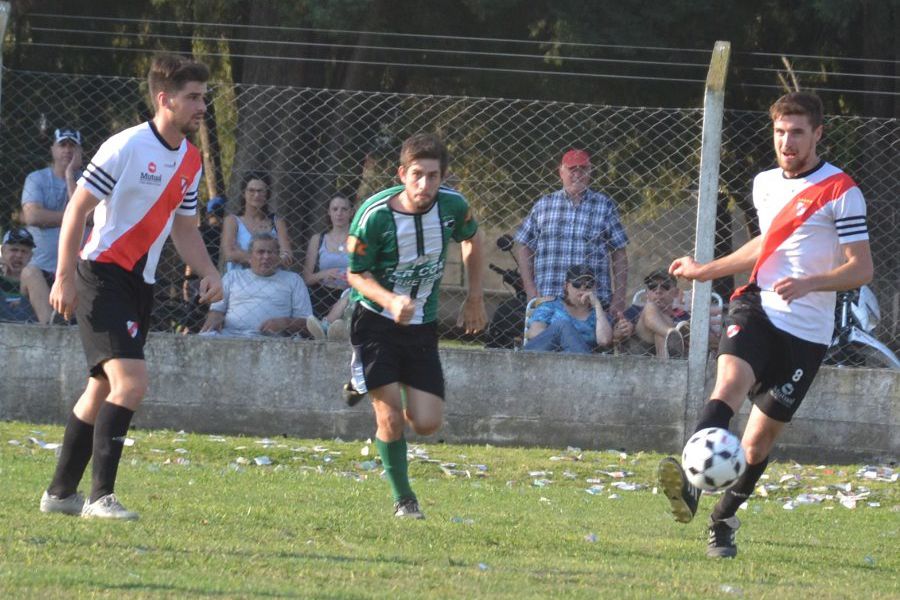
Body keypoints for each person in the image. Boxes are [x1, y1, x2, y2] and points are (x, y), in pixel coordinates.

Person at [657, 92, 873, 558]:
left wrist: (813, 281)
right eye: (779, 132)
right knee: (728, 387)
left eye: (797, 132)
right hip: (757, 309)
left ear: (817, 134)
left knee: (756, 445)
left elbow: (861, 268)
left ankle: (722, 520)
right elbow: (764, 244)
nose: (787, 141)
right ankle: (693, 483)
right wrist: (704, 269)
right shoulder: (764, 184)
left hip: (808, 334)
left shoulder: (842, 192)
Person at [39, 54, 223, 521]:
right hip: (100, 276)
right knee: (132, 384)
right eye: (193, 97)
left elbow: (184, 229)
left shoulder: (192, 160)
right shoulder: (126, 146)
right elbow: (78, 210)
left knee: (100, 389)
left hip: (140, 285)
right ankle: (101, 498)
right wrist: (63, 276)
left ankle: (60, 495)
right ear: (165, 99)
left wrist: (209, 271)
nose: (202, 106)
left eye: (204, 97)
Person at [343, 133, 486, 519]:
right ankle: (404, 499)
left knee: (425, 423)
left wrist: (475, 296)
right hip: (375, 321)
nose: (425, 185)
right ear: (402, 173)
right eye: (417, 175)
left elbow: (472, 240)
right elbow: (355, 274)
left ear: (443, 177)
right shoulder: (374, 216)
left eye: (433, 176)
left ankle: (368, 382)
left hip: (422, 324)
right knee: (389, 417)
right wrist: (389, 300)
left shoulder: (453, 207)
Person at [514, 149, 629, 316]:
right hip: (549, 299)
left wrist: (619, 298)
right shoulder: (543, 206)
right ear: (561, 172)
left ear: (590, 172)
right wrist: (531, 291)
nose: (577, 174)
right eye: (572, 169)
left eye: (583, 169)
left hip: (591, 302)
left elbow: (619, 253)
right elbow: (525, 248)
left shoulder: (605, 206)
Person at [200, 233, 315, 338]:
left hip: (273, 340)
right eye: (260, 252)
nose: (266, 257)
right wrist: (214, 319)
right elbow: (216, 311)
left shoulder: (293, 280)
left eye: (271, 252)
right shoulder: (233, 277)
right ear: (250, 257)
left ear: (278, 257)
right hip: (231, 335)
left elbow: (308, 323)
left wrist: (285, 323)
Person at [21, 126, 83, 281]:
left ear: (80, 151)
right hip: (42, 266)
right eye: (62, 145)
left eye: (72, 145)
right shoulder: (36, 178)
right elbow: (33, 216)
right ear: (53, 149)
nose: (68, 150)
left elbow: (91, 216)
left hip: (79, 269)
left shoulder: (88, 180)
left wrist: (69, 176)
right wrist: (76, 218)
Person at [523, 264, 614, 353]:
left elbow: (604, 340)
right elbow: (534, 333)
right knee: (562, 326)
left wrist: (597, 305)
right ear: (566, 286)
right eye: (577, 284)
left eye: (588, 285)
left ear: (594, 287)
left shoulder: (598, 314)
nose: (582, 288)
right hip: (546, 354)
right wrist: (566, 336)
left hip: (575, 360)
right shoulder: (551, 305)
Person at [222, 172, 293, 272]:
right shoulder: (233, 221)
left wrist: (243, 255)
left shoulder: (277, 222)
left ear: (267, 194)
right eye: (251, 190)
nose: (256, 195)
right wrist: (270, 258)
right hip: (241, 280)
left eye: (261, 191)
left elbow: (287, 255)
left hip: (272, 278)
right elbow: (229, 254)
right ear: (243, 193)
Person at [179, 195, 226, 332]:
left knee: (194, 310)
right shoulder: (224, 233)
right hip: (216, 276)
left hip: (199, 277)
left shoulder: (201, 231)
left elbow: (190, 262)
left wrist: (187, 281)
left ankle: (187, 331)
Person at [622, 269, 692, 359]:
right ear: (647, 293)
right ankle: (670, 333)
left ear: (676, 292)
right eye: (652, 286)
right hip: (639, 352)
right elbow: (616, 333)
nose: (658, 290)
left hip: (667, 354)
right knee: (650, 307)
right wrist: (621, 330)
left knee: (664, 322)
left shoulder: (683, 316)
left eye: (665, 286)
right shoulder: (635, 310)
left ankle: (669, 337)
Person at [302, 194, 352, 317]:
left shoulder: (360, 239)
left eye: (344, 209)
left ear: (351, 212)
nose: (339, 213)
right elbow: (307, 278)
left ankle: (325, 326)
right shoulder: (318, 239)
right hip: (322, 293)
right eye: (335, 209)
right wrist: (325, 273)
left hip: (350, 293)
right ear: (329, 212)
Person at [0, 227, 53, 323]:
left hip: (32, 328)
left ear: (31, 256)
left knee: (31, 272)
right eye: (14, 250)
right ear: (3, 251)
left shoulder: (40, 278)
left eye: (24, 251)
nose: (19, 255)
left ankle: (50, 329)